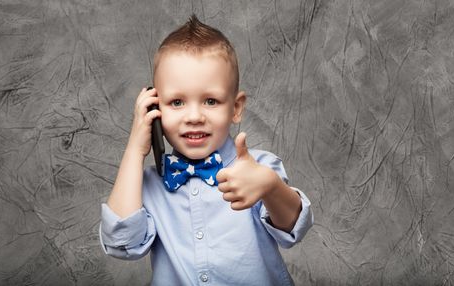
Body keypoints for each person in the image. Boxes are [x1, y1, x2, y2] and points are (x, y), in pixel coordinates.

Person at [99, 15, 313, 285]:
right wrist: (134, 150)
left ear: (235, 108)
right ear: (155, 109)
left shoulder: (258, 169)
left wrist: (270, 187)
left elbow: (295, 228)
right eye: (176, 102)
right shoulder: (147, 185)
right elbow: (121, 243)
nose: (194, 116)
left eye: (210, 100)